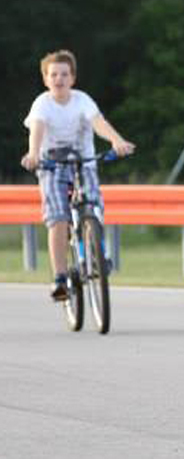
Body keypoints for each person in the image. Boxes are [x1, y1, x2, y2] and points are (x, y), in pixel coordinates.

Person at [20, 49, 135, 301]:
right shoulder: (42, 104)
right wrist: (33, 154)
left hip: (83, 163)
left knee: (93, 204)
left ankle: (98, 254)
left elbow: (98, 123)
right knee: (58, 218)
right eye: (53, 75)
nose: (59, 79)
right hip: (52, 165)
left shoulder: (82, 100)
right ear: (46, 79)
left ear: (72, 78)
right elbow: (36, 130)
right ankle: (60, 278)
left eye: (64, 74)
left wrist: (118, 141)